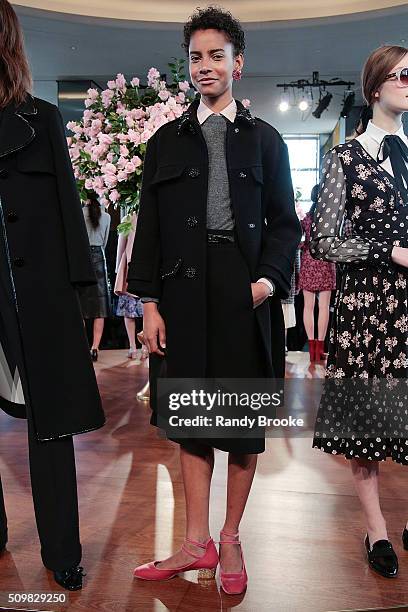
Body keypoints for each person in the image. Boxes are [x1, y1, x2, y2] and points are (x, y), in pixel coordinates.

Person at [128, 6, 300, 594]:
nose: (205, 66)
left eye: (216, 55)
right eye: (196, 57)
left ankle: (229, 539)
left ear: (238, 64)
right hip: (180, 291)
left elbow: (286, 225)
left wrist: (265, 284)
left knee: (241, 422)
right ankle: (195, 542)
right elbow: (147, 224)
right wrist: (149, 303)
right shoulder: (164, 142)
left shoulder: (266, 139)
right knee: (194, 422)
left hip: (244, 290)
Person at [0, 0, 105, 590]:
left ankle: (62, 547)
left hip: (35, 294)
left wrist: (84, 299)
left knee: (51, 424)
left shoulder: (40, 120)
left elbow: (69, 213)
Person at [310, 45, 408, 579]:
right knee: (366, 425)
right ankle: (377, 530)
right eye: (399, 75)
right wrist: (386, 250)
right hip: (369, 306)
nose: (407, 82)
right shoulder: (346, 157)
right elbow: (323, 241)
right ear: (374, 87)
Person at [299, 184, 336, 361]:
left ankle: (312, 348)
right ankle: (320, 348)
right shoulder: (329, 219)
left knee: (308, 306)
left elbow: (299, 241)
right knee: (323, 308)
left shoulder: (306, 218)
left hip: (308, 261)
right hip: (326, 261)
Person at [77, 198, 111, 361]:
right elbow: (105, 242)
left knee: (80, 305)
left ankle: (82, 347)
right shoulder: (106, 216)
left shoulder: (78, 214)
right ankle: (95, 348)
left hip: (81, 258)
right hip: (99, 257)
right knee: (100, 306)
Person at [114, 213, 146, 360]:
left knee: (132, 309)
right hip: (142, 267)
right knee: (144, 307)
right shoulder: (135, 217)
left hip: (129, 265)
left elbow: (121, 245)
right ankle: (142, 347)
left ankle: (134, 347)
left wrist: (117, 270)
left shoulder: (129, 218)